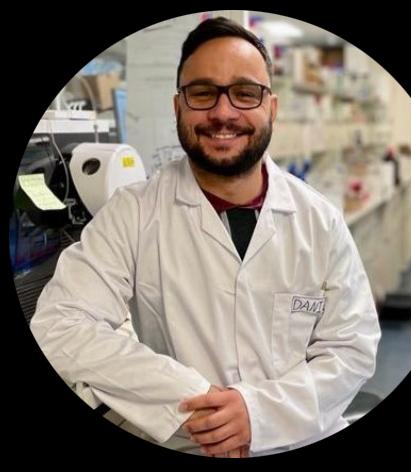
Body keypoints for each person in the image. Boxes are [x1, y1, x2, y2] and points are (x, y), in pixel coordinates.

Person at [30, 17, 381, 458]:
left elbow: (351, 348)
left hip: (298, 437)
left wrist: (258, 414)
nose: (223, 112)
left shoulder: (319, 221)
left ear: (271, 107)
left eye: (245, 93)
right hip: (188, 441)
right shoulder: (132, 213)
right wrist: (193, 400)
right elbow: (59, 325)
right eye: (202, 93)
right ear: (178, 106)